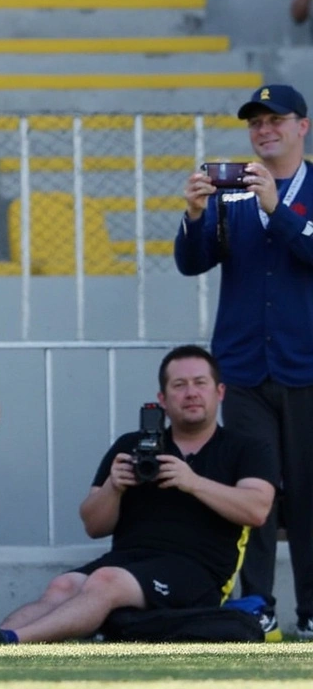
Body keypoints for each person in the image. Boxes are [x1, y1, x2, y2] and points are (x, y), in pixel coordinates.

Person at [0, 346, 277, 644]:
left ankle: (11, 639)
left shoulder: (247, 448)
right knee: (62, 585)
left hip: (197, 571)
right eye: (179, 385)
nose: (191, 393)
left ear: (219, 392)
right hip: (127, 560)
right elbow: (93, 526)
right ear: (162, 399)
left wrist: (193, 482)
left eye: (200, 383)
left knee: (106, 581)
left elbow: (257, 510)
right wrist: (112, 488)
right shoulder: (132, 446)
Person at [175, 84, 313, 641]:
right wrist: (193, 213)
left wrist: (278, 212)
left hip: (306, 366)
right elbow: (193, 262)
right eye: (256, 123)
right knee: (255, 491)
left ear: (303, 126)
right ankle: (257, 603)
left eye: (276, 119)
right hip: (245, 368)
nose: (264, 130)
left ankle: (310, 611)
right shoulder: (232, 190)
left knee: (307, 493)